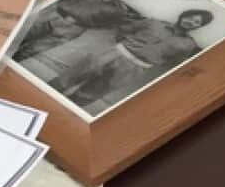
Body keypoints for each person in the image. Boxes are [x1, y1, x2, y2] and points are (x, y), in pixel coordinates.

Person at [56, 9, 213, 112]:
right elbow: (125, 29)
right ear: (184, 16)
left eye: (196, 22)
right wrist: (122, 45)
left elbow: (174, 62)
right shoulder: (154, 22)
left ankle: (64, 114)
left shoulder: (188, 44)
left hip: (134, 68)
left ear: (198, 26)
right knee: (70, 76)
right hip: (114, 53)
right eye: (190, 17)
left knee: (91, 93)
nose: (191, 22)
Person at [13, 0, 146, 61]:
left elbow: (103, 26)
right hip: (53, 15)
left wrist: (80, 21)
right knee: (17, 39)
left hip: (71, 30)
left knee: (31, 51)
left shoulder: (118, 11)